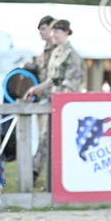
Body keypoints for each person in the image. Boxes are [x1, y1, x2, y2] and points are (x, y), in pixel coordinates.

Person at [23, 19, 84, 182]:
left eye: (56, 31)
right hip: (54, 102)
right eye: (52, 31)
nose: (53, 35)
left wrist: (61, 104)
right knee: (47, 138)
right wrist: (36, 89)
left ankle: (45, 175)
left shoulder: (72, 54)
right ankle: (42, 175)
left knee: (57, 141)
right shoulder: (56, 52)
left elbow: (71, 83)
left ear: (66, 32)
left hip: (65, 106)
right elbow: (52, 79)